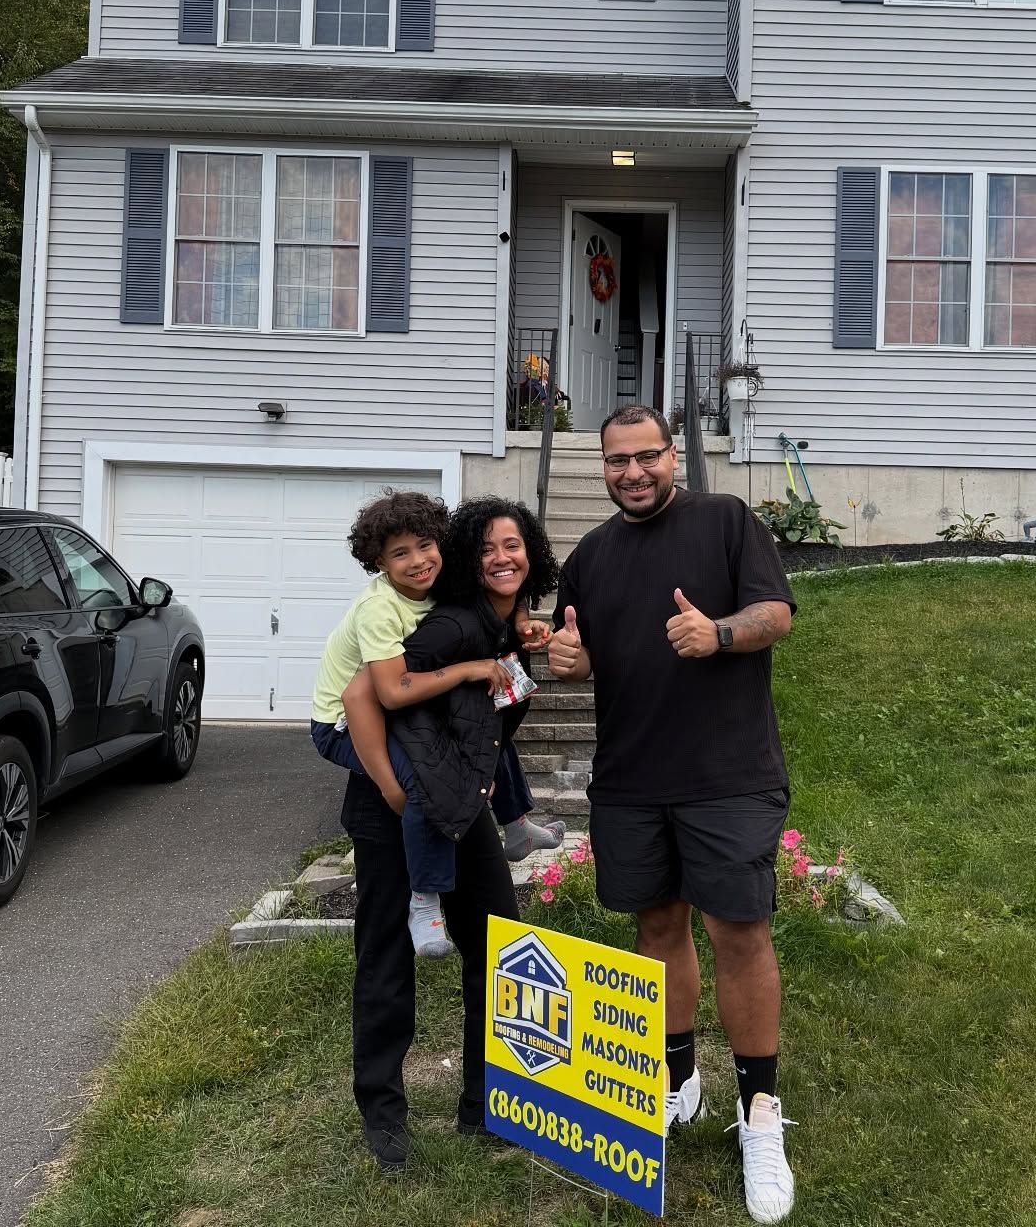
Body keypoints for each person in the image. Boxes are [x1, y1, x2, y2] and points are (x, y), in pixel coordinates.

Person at [548, 406, 798, 1225]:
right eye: (616, 461)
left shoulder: (725, 520)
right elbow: (578, 654)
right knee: (657, 928)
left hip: (728, 774)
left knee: (739, 930)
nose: (632, 472)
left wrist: (717, 631)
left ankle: (759, 1112)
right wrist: (566, 658)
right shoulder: (588, 558)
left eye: (645, 455)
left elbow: (777, 615)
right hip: (630, 779)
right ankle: (675, 1080)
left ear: (669, 455)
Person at [338, 496, 560, 1168]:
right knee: (387, 955)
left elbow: (489, 718)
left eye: (513, 544)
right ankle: (385, 1119)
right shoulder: (450, 628)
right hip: (396, 808)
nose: (502, 557)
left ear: (533, 554)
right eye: (488, 546)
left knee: (495, 948)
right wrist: (406, 786)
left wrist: (484, 771)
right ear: (470, 555)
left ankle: (485, 1107)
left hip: (459, 809)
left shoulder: (503, 630)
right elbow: (365, 696)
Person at [309, 492, 561, 958]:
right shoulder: (381, 609)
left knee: (488, 732)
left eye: (426, 546)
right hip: (344, 722)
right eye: (400, 554)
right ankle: (423, 903)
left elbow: (504, 588)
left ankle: (517, 820)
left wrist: (524, 621)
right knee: (423, 787)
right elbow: (372, 695)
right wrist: (390, 788)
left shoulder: (442, 581)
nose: (419, 561)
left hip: (400, 711)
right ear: (378, 562)